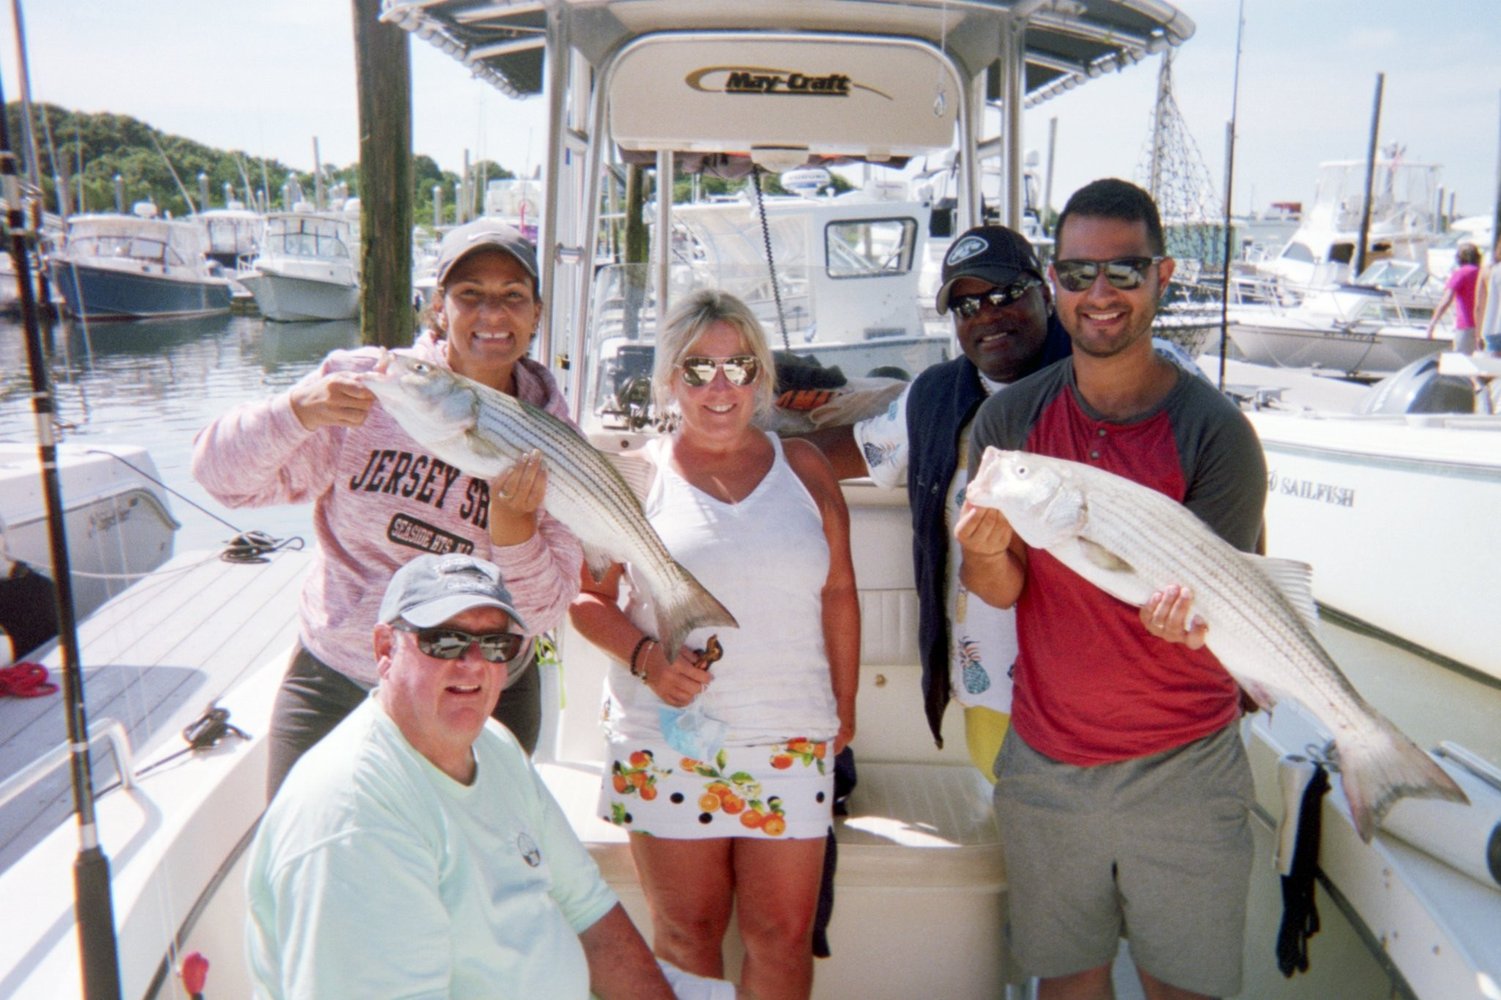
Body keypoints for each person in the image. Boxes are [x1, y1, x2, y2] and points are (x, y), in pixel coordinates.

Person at [957, 178, 1267, 1000]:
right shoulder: (1007, 428)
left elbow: (1224, 603)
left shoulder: (1216, 433)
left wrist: (1190, 623)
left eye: (1122, 274)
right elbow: (996, 586)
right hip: (1048, 764)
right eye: (1076, 273)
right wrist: (984, 551)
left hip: (1186, 768)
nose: (1098, 296)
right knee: (1067, 986)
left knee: (1185, 991)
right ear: (1053, 283)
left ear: (1162, 278)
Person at [193, 218, 582, 796]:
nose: (492, 314)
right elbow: (223, 481)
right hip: (341, 674)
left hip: (481, 688)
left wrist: (516, 532)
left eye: (513, 297)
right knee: (308, 866)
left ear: (535, 315)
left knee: (469, 881)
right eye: (469, 294)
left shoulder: (554, 438)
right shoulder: (367, 389)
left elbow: (545, 609)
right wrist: (297, 410)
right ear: (438, 308)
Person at [245, 553, 732, 1000]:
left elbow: (589, 913)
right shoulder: (354, 815)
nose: (473, 664)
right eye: (445, 640)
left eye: (495, 644)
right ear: (384, 648)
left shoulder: (492, 743)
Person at [569, 289, 859, 1000]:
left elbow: (839, 594)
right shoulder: (633, 477)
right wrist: (648, 660)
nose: (719, 388)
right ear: (669, 379)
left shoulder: (807, 468)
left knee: (783, 938)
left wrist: (844, 711)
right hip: (663, 739)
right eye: (697, 370)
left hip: (790, 737)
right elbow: (587, 601)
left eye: (739, 367)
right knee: (686, 934)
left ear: (761, 376)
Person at [802, 224, 1069, 778]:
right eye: (967, 306)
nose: (986, 316)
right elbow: (856, 448)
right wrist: (740, 455)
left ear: (1044, 290)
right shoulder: (937, 395)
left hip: (1092, 687)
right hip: (989, 688)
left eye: (1003, 296)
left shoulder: (1100, 378)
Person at [1426, 243, 1482, 353]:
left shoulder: (1461, 273)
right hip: (1483, 326)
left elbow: (1446, 300)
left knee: (1461, 363)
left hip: (1466, 325)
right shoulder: (1483, 272)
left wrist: (1433, 322)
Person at [1475, 238, 1501, 357]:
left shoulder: (1487, 271)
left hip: (1492, 329)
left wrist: (1477, 335)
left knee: (1491, 371)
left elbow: (1479, 306)